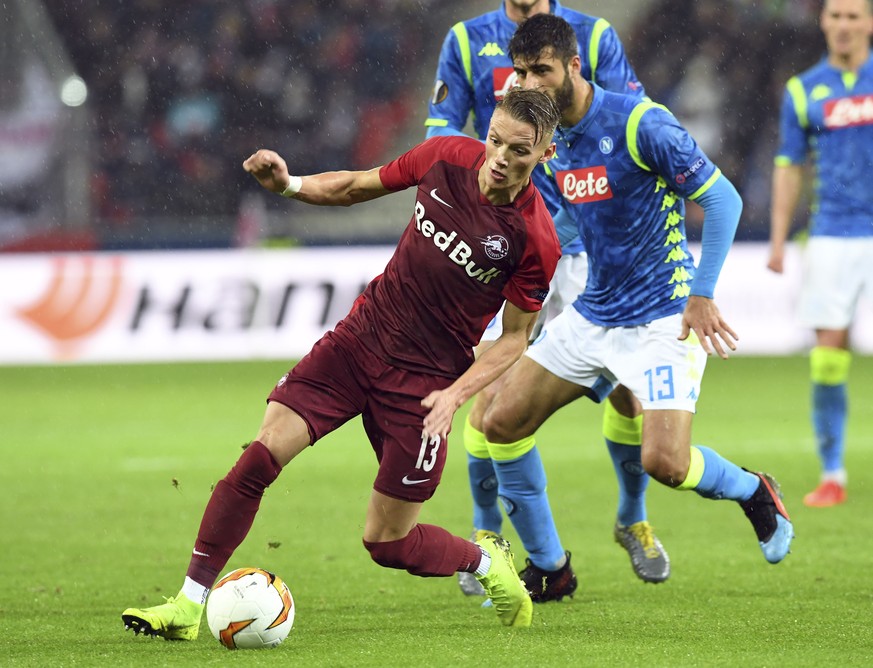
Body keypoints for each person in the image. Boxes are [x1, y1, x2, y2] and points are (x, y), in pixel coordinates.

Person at [120, 87, 563, 636]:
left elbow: (515, 338)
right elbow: (356, 186)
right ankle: (189, 605)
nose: (499, 157)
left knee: (388, 543)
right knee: (261, 455)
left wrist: (455, 394)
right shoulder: (445, 156)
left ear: (544, 153)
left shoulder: (534, 239)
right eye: (495, 140)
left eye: (518, 150)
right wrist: (289, 185)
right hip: (359, 341)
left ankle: (482, 560)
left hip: (424, 384)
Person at [479, 13, 795, 575]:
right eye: (521, 73)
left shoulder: (641, 124)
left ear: (574, 66)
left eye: (542, 71)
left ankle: (753, 490)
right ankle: (550, 567)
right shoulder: (549, 143)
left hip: (663, 317)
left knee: (666, 463)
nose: (529, 84)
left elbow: (724, 200)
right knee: (499, 421)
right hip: (596, 311)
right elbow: (562, 224)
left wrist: (702, 294)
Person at [426, 0, 668, 601]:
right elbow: (443, 130)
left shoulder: (595, 35)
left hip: (587, 242)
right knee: (487, 386)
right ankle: (486, 538)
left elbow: (624, 119)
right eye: (521, 75)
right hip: (502, 238)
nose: (529, 82)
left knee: (628, 389)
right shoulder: (465, 39)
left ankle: (632, 518)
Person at [767, 0, 873, 508]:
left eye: (854, 16)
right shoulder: (803, 89)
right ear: (824, 23)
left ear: (869, 23)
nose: (845, 25)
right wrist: (779, 238)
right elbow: (789, 164)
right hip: (832, 232)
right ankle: (832, 473)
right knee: (828, 357)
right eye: (837, 16)